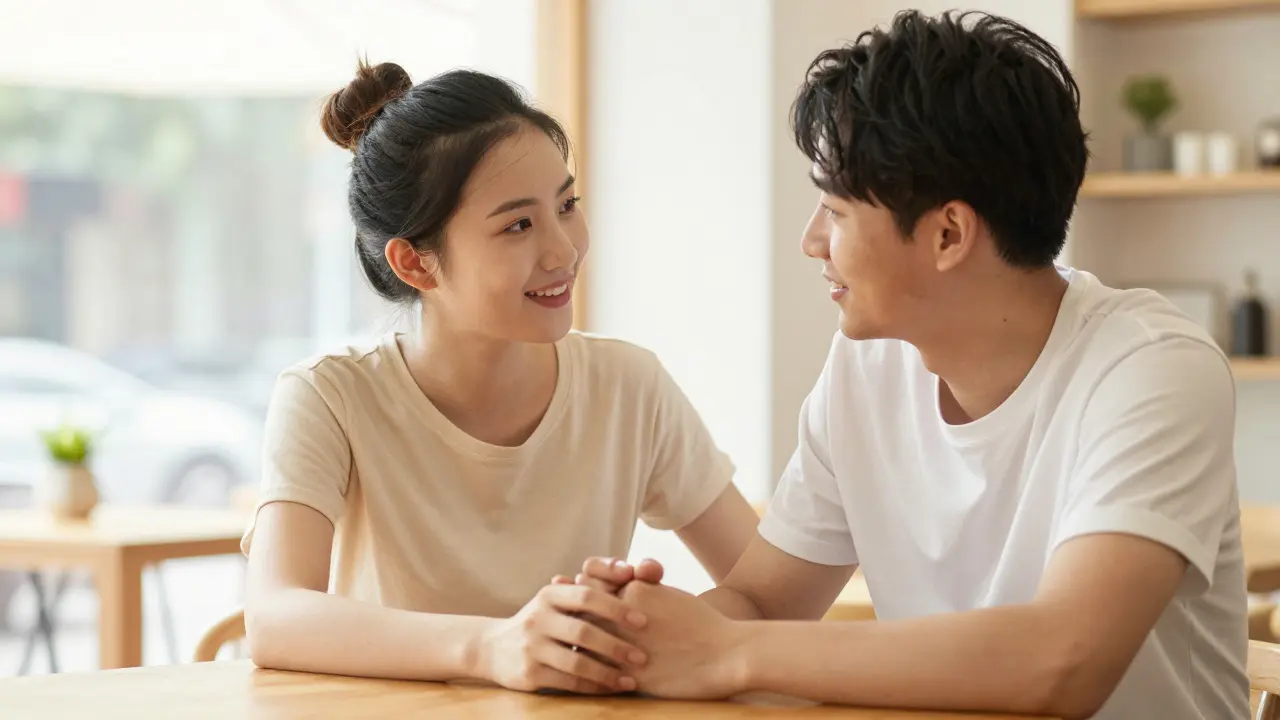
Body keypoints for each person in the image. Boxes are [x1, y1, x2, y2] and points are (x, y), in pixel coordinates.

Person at [579, 10, 1249, 720]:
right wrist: (626, 640)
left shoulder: (1150, 369)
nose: (812, 242)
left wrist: (723, 654)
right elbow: (763, 600)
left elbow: (1061, 661)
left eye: (834, 211)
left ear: (949, 233)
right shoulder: (866, 368)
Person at [240, 60, 758, 696]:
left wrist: (628, 633)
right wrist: (493, 647)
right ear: (416, 262)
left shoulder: (629, 385)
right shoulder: (329, 396)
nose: (563, 251)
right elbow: (274, 616)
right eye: (518, 225)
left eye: (566, 205)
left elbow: (764, 590)